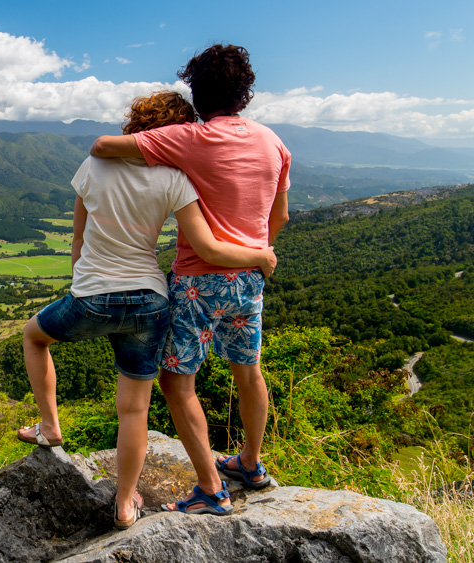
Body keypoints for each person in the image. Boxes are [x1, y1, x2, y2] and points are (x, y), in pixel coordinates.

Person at [16, 91, 277, 528]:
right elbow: (208, 245)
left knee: (34, 336)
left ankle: (49, 426)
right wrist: (259, 257)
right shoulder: (175, 179)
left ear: (135, 124)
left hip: (92, 296)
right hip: (151, 302)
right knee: (134, 409)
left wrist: (87, 283)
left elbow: (78, 243)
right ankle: (123, 504)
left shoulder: (93, 167)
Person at [90, 44, 291, 515]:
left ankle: (210, 488)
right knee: (249, 371)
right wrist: (255, 253)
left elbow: (101, 146)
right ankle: (251, 464)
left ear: (197, 93)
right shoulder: (273, 142)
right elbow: (278, 215)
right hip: (252, 277)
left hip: (200, 281)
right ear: (246, 92)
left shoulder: (189, 138)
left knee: (177, 382)